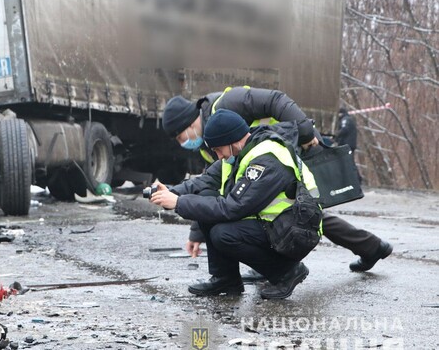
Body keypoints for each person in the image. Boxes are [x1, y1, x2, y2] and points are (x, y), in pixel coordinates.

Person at [161, 87, 392, 277]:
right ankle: (371, 246)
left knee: (301, 212)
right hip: (264, 163)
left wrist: (305, 132)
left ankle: (367, 247)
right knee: (296, 211)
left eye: (182, 137)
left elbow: (275, 100)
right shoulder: (210, 143)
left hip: (283, 148)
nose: (185, 143)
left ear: (189, 124)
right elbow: (215, 185)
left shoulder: (227, 104)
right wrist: (196, 232)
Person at [150, 109, 314, 299]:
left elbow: (232, 208)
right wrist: (170, 192)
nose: (218, 156)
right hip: (275, 223)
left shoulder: (266, 160)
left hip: (297, 229)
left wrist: (178, 203)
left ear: (232, 140)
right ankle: (225, 279)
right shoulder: (239, 153)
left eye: (219, 150)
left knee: (224, 234)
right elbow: (203, 182)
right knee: (206, 197)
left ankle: (287, 272)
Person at [336, 107, 362, 181]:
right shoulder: (349, 119)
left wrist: (336, 136)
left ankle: (356, 178)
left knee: (348, 161)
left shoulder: (345, 119)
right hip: (349, 144)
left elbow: (344, 129)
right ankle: (354, 178)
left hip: (347, 145)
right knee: (348, 161)